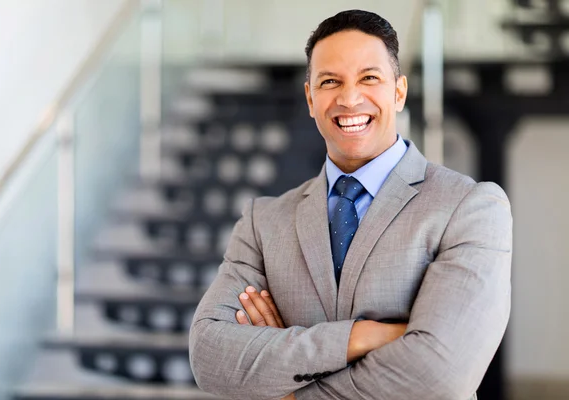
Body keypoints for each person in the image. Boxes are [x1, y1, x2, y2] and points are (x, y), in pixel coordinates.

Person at [189, 9, 512, 400]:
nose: (349, 98)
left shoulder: (470, 206)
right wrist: (362, 337)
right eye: (330, 82)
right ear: (310, 98)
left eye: (369, 78)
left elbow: (439, 373)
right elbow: (210, 356)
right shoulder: (264, 221)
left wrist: (289, 388)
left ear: (399, 91)